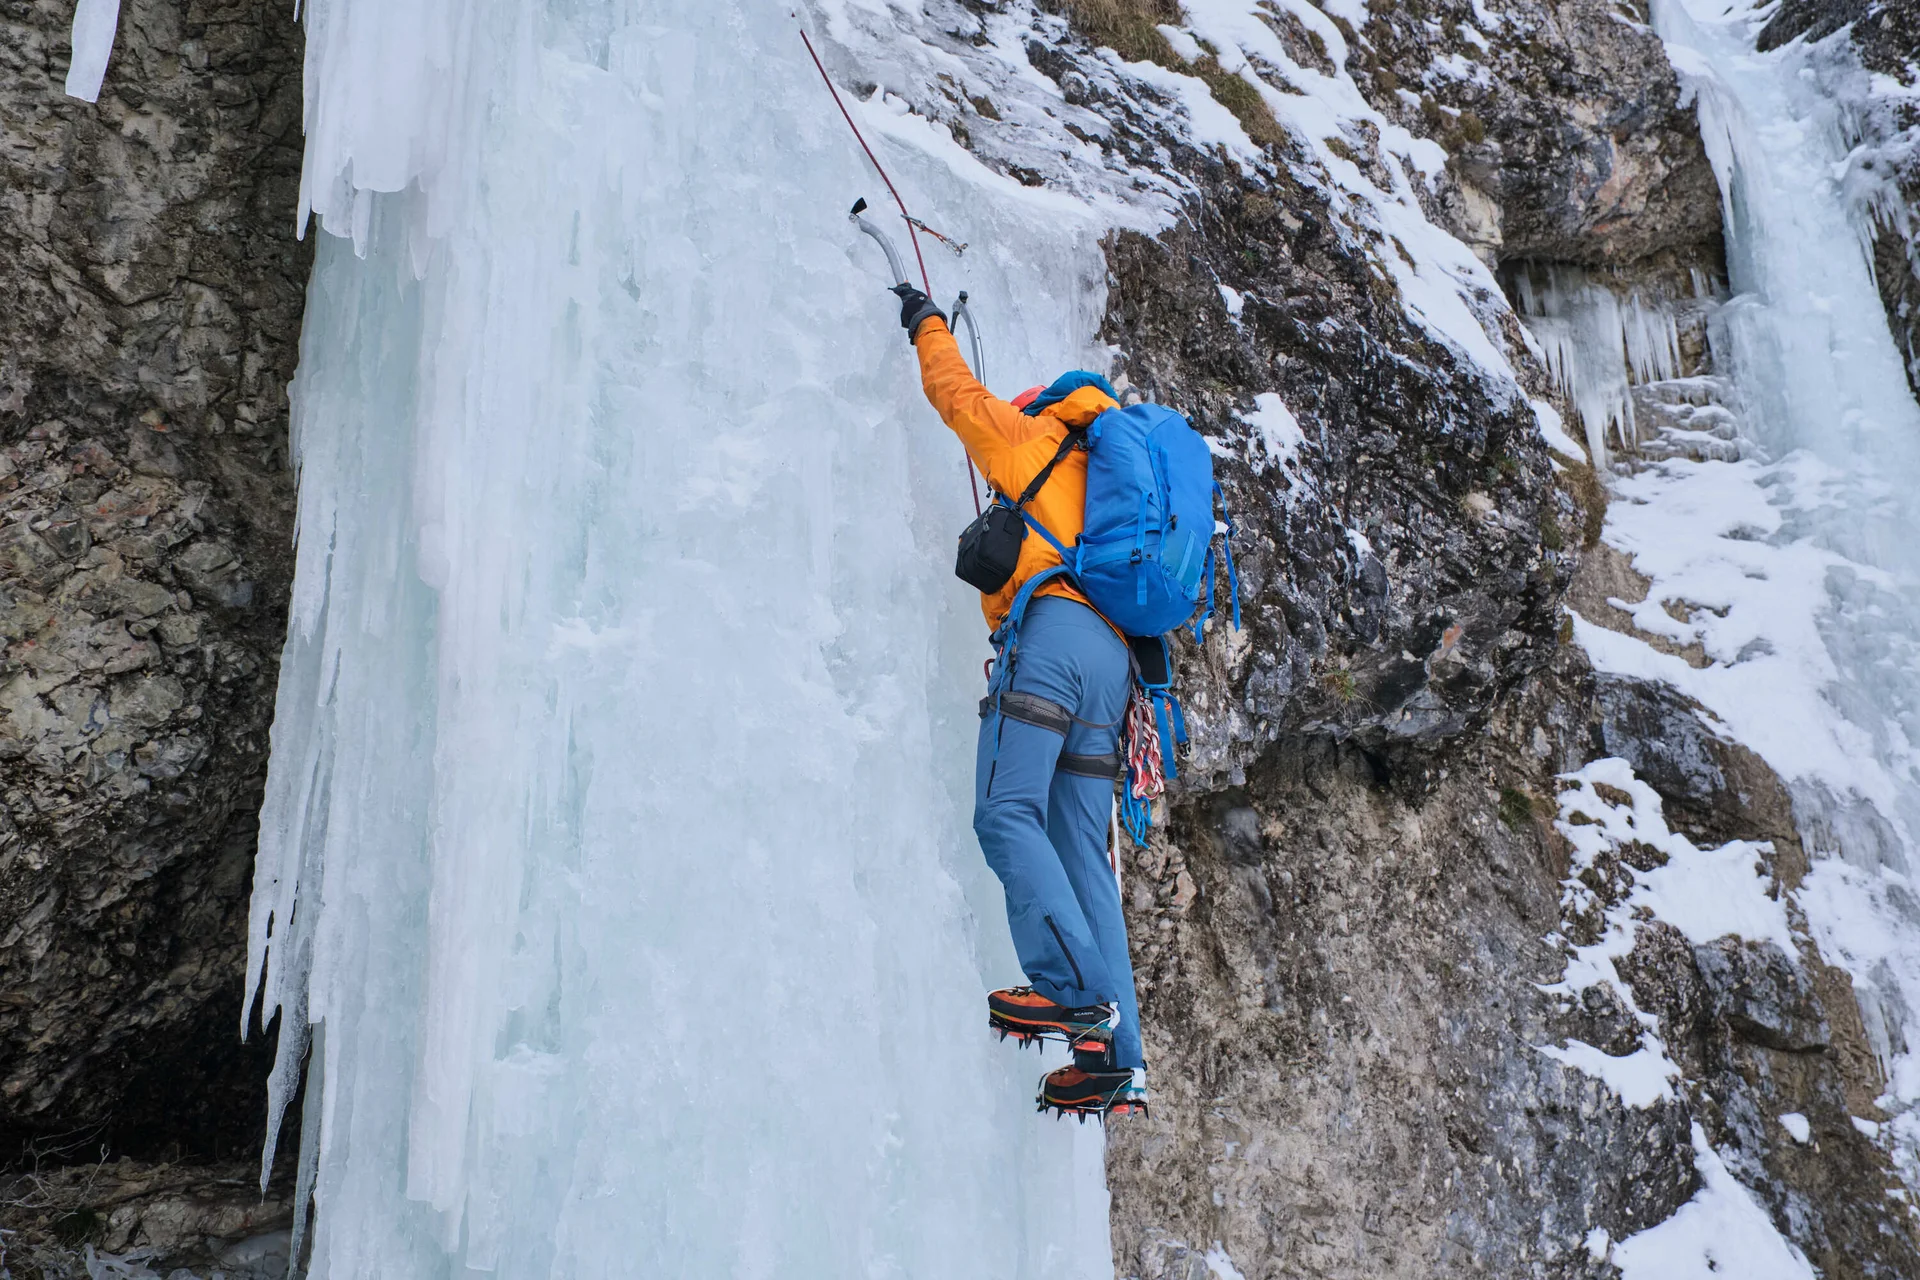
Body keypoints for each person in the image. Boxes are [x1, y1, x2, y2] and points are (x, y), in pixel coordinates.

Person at [889, 281, 1147, 1120]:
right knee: (1084, 859)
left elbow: (955, 395)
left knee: (1005, 813)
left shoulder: (1035, 438)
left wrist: (927, 324)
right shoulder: (1114, 502)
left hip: (1054, 642)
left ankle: (1071, 994)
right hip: (1114, 669)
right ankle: (1117, 1062)